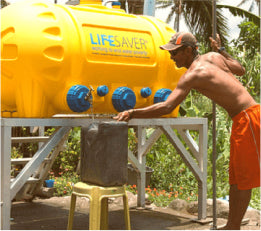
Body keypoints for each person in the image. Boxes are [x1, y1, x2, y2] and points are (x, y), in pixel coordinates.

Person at [113, 31, 260, 230]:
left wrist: (132, 112)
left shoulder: (193, 74)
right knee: (236, 177)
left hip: (248, 119)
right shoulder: (214, 57)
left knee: (243, 178)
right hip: (245, 118)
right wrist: (222, 50)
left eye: (175, 53)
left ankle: (233, 226)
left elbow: (167, 106)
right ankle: (232, 226)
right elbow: (239, 69)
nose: (172, 57)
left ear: (189, 50)